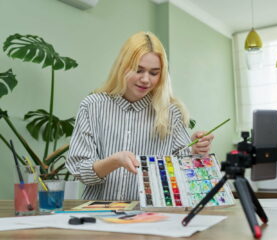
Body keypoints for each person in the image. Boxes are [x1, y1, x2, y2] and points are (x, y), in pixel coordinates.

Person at [66, 31, 214, 200]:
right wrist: (114, 161)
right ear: (122, 66)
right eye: (138, 70)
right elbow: (79, 169)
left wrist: (195, 151)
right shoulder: (92, 106)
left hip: (152, 216)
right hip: (99, 215)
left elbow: (185, 175)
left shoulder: (171, 113)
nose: (145, 79)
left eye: (154, 73)